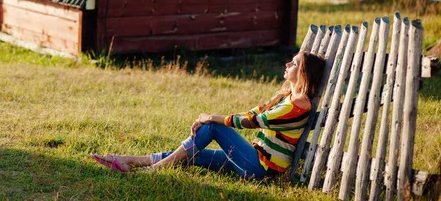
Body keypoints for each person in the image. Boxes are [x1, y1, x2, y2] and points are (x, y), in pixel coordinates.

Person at [92, 51, 326, 179]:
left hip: (261, 170)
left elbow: (253, 121)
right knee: (189, 155)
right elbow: (253, 112)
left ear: (303, 72)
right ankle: (129, 160)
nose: (287, 64)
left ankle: (153, 170)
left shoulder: (299, 105)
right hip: (252, 159)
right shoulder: (286, 97)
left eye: (293, 63)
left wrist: (212, 117)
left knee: (213, 128)